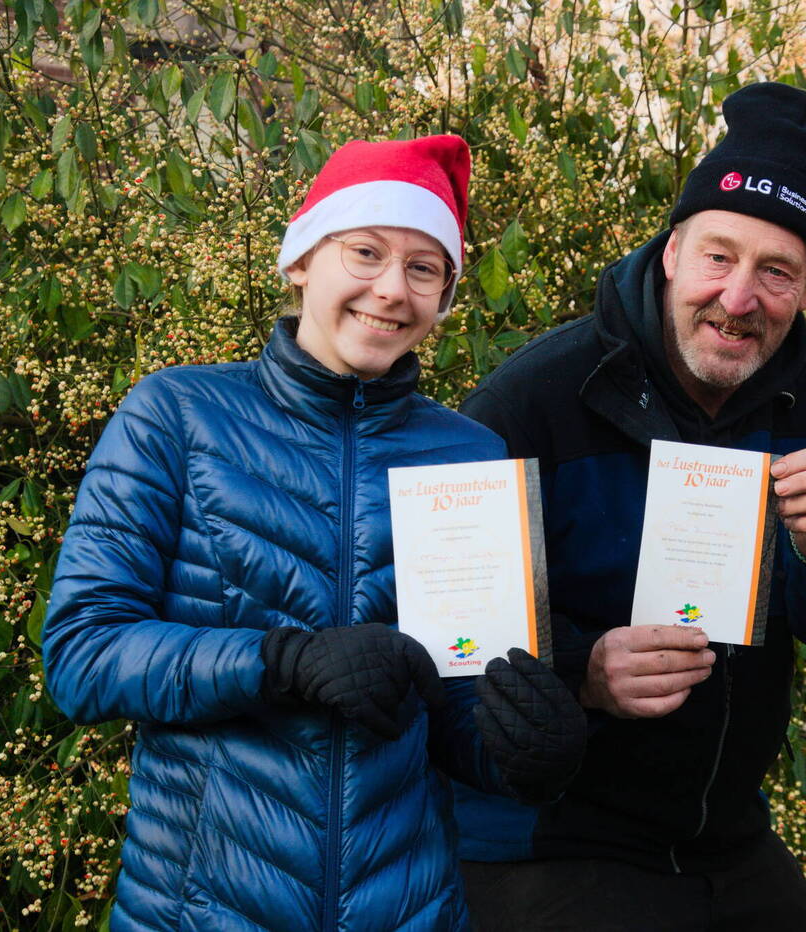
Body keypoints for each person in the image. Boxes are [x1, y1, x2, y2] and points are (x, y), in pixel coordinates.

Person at [43, 136, 585, 931]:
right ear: (301, 262)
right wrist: (280, 662)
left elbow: (462, 713)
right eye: (365, 252)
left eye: (424, 269)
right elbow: (82, 656)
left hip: (407, 910)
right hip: (200, 908)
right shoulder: (176, 416)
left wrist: (525, 751)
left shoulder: (469, 457)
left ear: (443, 297)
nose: (392, 290)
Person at [453, 82, 806, 930]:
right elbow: (451, 644)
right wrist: (583, 675)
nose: (739, 299)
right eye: (719, 257)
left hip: (723, 835)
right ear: (673, 250)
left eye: (778, 273)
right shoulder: (534, 397)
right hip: (551, 840)